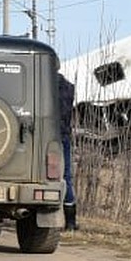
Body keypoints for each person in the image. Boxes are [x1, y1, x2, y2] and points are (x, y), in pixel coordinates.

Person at [58, 72, 77, 231]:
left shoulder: (42, 85)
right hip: (63, 135)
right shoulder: (69, 87)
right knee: (65, 176)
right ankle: (70, 222)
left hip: (44, 135)